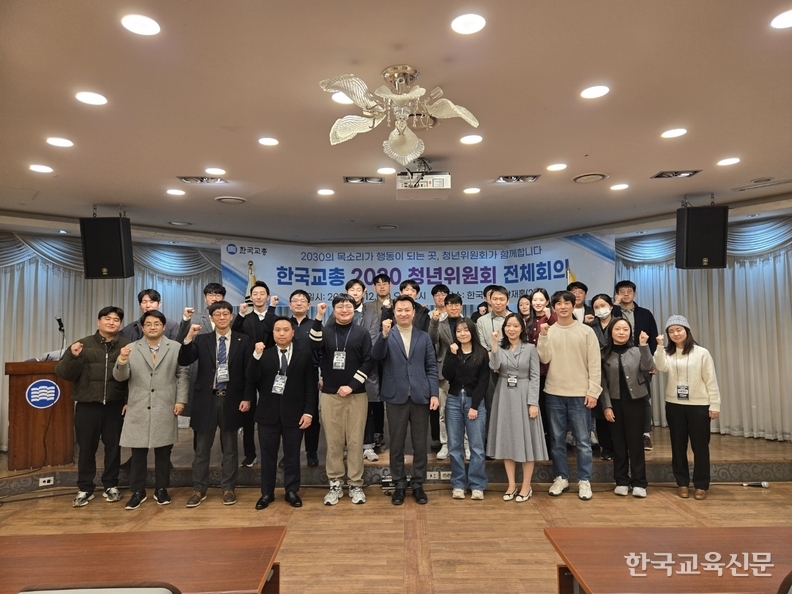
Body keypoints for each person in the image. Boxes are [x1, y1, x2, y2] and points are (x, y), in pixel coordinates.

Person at [178, 301, 253, 507]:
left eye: (225, 313)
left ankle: (228, 488)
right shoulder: (202, 340)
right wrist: (188, 338)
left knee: (230, 448)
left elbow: (248, 372)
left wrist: (247, 398)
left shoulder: (243, 340)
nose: (222, 317)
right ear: (211, 318)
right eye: (217, 314)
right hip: (206, 400)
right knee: (202, 449)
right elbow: (184, 360)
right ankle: (198, 489)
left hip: (231, 399)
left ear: (231, 316)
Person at [113, 310, 188, 509]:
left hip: (165, 405)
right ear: (142, 327)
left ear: (164, 327)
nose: (152, 327)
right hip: (138, 407)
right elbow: (120, 377)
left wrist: (180, 401)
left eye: (156, 324)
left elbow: (182, 374)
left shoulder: (176, 348)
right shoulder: (130, 348)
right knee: (138, 454)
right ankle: (137, 491)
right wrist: (121, 360)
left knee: (163, 453)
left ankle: (161, 489)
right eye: (148, 324)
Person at [55, 306, 129, 507]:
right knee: (87, 448)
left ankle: (111, 485)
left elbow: (133, 378)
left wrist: (128, 400)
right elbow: (64, 373)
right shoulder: (82, 344)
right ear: (98, 321)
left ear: (120, 324)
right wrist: (73, 356)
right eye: (107, 318)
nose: (111, 322)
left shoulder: (126, 346)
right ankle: (85, 487)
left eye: (116, 319)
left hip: (115, 405)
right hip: (87, 405)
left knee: (113, 447)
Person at [372, 295, 440, 505]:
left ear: (414, 312)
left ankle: (418, 484)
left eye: (407, 310)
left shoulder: (423, 337)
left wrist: (434, 394)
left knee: (420, 445)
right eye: (399, 310)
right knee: (397, 444)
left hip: (420, 396)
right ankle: (399, 484)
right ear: (394, 313)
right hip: (395, 396)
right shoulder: (387, 334)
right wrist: (383, 335)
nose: (403, 313)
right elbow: (376, 356)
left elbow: (431, 367)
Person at [537, 290, 601, 500]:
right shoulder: (548, 331)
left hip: (580, 394)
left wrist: (593, 391)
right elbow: (543, 358)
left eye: (567, 303)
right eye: (559, 303)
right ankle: (561, 478)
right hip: (553, 393)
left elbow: (595, 364)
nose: (563, 306)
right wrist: (543, 336)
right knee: (557, 440)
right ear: (553, 307)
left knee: (583, 441)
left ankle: (584, 480)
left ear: (574, 306)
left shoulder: (586, 331)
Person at [247, 317, 316, 509]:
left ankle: (291, 491)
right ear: (273, 333)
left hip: (295, 415)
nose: (282, 333)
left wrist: (309, 412)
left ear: (293, 333)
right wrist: (255, 356)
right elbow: (251, 378)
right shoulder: (264, 355)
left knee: (292, 455)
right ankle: (266, 493)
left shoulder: (304, 355)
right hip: (267, 415)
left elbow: (310, 387)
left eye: (286, 330)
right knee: (267, 455)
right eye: (278, 330)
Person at [310, 295, 373, 505]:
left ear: (354, 309)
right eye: (340, 306)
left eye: (348, 306)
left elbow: (368, 361)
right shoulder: (325, 330)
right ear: (334, 310)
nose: (344, 310)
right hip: (330, 395)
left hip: (356, 395)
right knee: (334, 442)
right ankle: (335, 483)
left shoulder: (362, 333)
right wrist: (318, 317)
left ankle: (355, 484)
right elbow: (313, 345)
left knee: (355, 441)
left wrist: (351, 385)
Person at [654, 315, 721, 500]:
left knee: (700, 447)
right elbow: (660, 366)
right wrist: (659, 346)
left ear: (687, 330)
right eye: (671, 331)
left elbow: (711, 379)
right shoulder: (667, 352)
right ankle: (682, 483)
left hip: (699, 405)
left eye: (679, 330)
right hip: (674, 405)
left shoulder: (702, 353)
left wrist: (715, 404)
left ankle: (701, 485)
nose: (675, 334)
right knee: (678, 446)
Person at [487, 313, 548, 502]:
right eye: (508, 325)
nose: (511, 329)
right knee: (507, 440)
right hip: (504, 394)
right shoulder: (500, 347)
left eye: (515, 326)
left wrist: (533, 402)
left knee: (526, 441)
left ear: (522, 328)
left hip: (524, 394)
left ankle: (526, 486)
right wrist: (494, 344)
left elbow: (535, 377)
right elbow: (494, 366)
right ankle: (511, 484)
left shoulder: (530, 348)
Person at [599, 318, 654, 498]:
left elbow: (649, 367)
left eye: (625, 329)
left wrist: (644, 345)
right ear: (610, 332)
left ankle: (639, 482)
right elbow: (602, 383)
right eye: (617, 329)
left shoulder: (637, 351)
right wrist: (606, 406)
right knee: (618, 443)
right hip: (614, 402)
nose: (622, 332)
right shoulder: (603, 354)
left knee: (635, 442)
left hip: (636, 401)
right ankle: (621, 480)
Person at [232, 280, 279, 468]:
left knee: (271, 411)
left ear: (268, 297)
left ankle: (272, 453)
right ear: (250, 297)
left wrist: (272, 309)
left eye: (262, 294)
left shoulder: (275, 318)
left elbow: (271, 329)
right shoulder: (246, 318)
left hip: (271, 370)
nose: (258, 297)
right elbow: (234, 333)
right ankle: (250, 454)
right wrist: (240, 314)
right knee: (247, 413)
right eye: (255, 294)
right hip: (249, 368)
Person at [442, 317, 490, 500]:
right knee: (455, 446)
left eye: (465, 330)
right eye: (458, 331)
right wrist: (451, 355)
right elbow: (447, 375)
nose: (462, 334)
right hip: (454, 400)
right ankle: (458, 484)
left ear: (472, 331)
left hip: (474, 401)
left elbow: (483, 382)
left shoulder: (481, 353)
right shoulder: (453, 351)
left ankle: (477, 485)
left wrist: (475, 406)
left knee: (477, 446)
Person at [340, 278, 383, 462]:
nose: (355, 293)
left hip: (367, 366)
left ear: (364, 292)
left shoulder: (371, 312)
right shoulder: (338, 311)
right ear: (347, 292)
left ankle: (368, 446)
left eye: (358, 289)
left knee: (367, 409)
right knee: (344, 410)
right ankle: (345, 446)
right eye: (352, 289)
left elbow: (373, 338)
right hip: (343, 368)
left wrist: (359, 358)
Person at [614, 280, 659, 451]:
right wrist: (615, 306)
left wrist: (652, 361)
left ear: (635, 294)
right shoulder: (613, 312)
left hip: (640, 360)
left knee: (644, 398)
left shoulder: (645, 314)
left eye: (629, 291)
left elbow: (653, 337)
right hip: (617, 359)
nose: (625, 294)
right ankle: (624, 435)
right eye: (622, 291)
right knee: (620, 397)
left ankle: (645, 434)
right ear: (617, 294)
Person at [428, 289, 465, 460]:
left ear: (461, 306)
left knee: (465, 410)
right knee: (443, 411)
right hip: (444, 372)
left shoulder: (468, 323)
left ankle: (465, 443)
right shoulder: (440, 323)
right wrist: (434, 322)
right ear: (445, 306)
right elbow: (432, 339)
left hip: (465, 372)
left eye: (456, 305)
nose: (453, 308)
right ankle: (445, 444)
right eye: (450, 305)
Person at [288, 289, 322, 467]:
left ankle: (311, 452)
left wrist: (322, 375)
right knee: (288, 414)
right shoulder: (284, 325)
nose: (299, 303)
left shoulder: (315, 325)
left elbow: (323, 351)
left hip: (311, 374)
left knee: (311, 413)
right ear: (290, 305)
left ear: (309, 305)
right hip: (287, 374)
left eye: (303, 300)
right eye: (295, 300)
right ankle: (289, 453)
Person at [524, 288, 556, 451]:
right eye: (534, 300)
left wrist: (551, 317)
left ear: (547, 302)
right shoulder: (527, 320)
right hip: (532, 371)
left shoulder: (552, 318)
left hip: (550, 370)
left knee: (549, 409)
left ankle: (550, 446)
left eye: (541, 300)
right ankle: (537, 445)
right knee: (536, 408)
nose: (537, 303)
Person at [588, 293, 620, 460]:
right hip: (596, 369)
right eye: (596, 307)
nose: (600, 309)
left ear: (611, 306)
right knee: (601, 410)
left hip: (616, 368)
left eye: (603, 306)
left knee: (616, 408)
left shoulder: (619, 323)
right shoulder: (590, 326)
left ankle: (618, 446)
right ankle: (605, 447)